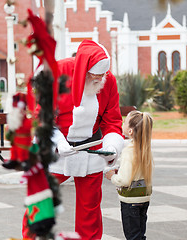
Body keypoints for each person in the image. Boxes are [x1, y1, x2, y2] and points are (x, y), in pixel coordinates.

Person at [22, 39, 124, 240]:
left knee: (90, 210)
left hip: (91, 148)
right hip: (57, 146)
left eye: (103, 75)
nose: (100, 79)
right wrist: (58, 142)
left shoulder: (108, 80)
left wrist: (112, 146)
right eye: (95, 76)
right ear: (84, 70)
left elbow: (112, 120)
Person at [105, 110, 153, 240]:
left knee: (132, 236)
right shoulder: (145, 150)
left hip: (130, 201)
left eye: (125, 122)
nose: (122, 123)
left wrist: (112, 177)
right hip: (143, 199)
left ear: (130, 131)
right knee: (140, 235)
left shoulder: (129, 151)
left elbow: (125, 180)